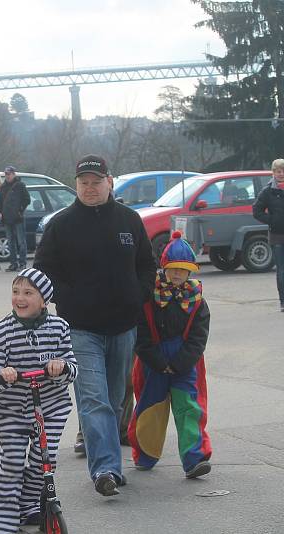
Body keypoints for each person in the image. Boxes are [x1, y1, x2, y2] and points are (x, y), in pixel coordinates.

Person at [34, 154, 156, 496]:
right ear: (76, 185)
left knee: (115, 400)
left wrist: (139, 294)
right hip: (80, 328)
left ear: (110, 182)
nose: (90, 188)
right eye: (83, 182)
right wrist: (67, 298)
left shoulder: (130, 221)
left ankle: (106, 458)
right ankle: (105, 470)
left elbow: (148, 265)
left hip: (123, 327)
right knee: (94, 399)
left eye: (96, 182)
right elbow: (42, 271)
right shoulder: (61, 225)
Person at [0, 268, 78, 533]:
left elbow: (72, 366)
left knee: (44, 460)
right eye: (15, 292)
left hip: (51, 405)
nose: (19, 298)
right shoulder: (0, 332)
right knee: (10, 460)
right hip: (11, 408)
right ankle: (2, 521)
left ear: (44, 299)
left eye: (28, 293)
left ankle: (28, 504)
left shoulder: (59, 327)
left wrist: (61, 367)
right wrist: (1, 374)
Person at [128, 232, 212, 479]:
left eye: (183, 270)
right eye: (173, 269)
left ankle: (194, 459)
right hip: (153, 362)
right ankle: (145, 455)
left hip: (185, 362)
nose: (177, 274)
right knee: (149, 409)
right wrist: (157, 362)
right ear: (163, 268)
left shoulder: (197, 301)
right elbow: (140, 334)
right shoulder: (149, 296)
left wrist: (180, 363)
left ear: (191, 272)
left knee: (189, 409)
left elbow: (199, 337)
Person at [252, 158, 284, 312]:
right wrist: (272, 220)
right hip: (277, 235)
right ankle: (283, 302)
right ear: (273, 173)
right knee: (282, 270)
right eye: (278, 171)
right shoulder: (267, 191)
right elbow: (256, 211)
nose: (281, 174)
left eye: (283, 171)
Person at [0, 166, 30, 272]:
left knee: (21, 242)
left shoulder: (20, 185)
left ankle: (22, 263)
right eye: (6, 174)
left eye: (9, 174)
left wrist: (20, 210)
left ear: (14, 174)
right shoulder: (3, 186)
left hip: (18, 218)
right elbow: (0, 201)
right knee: (10, 242)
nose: (7, 176)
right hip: (7, 219)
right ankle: (13, 263)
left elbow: (27, 199)